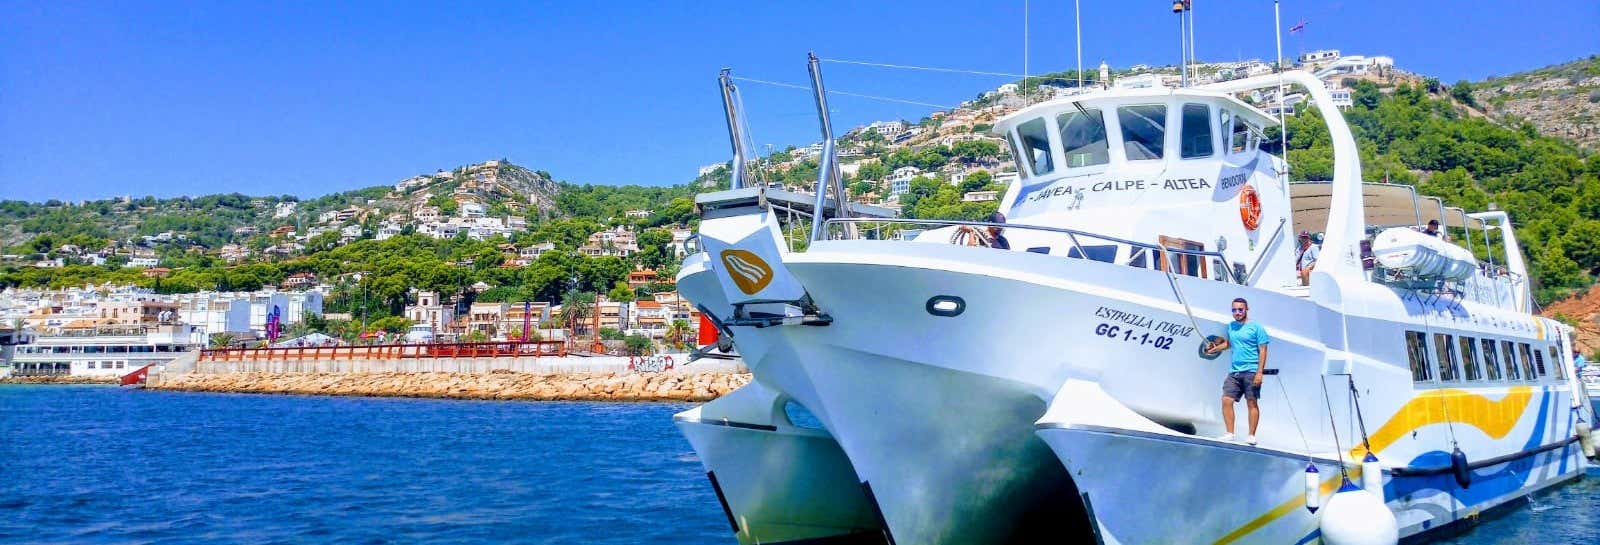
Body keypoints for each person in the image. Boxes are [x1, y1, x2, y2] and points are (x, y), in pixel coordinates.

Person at [1203, 297, 1270, 445]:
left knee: (1251, 402)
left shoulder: (1256, 327)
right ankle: (1230, 433)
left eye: (1240, 309)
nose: (1237, 312)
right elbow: (1229, 344)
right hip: (1235, 371)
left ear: (1247, 309)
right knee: (1226, 400)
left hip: (1251, 370)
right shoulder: (1231, 326)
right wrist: (1214, 349)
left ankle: (1251, 435)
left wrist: (1260, 372)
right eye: (1234, 310)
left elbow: (1263, 349)